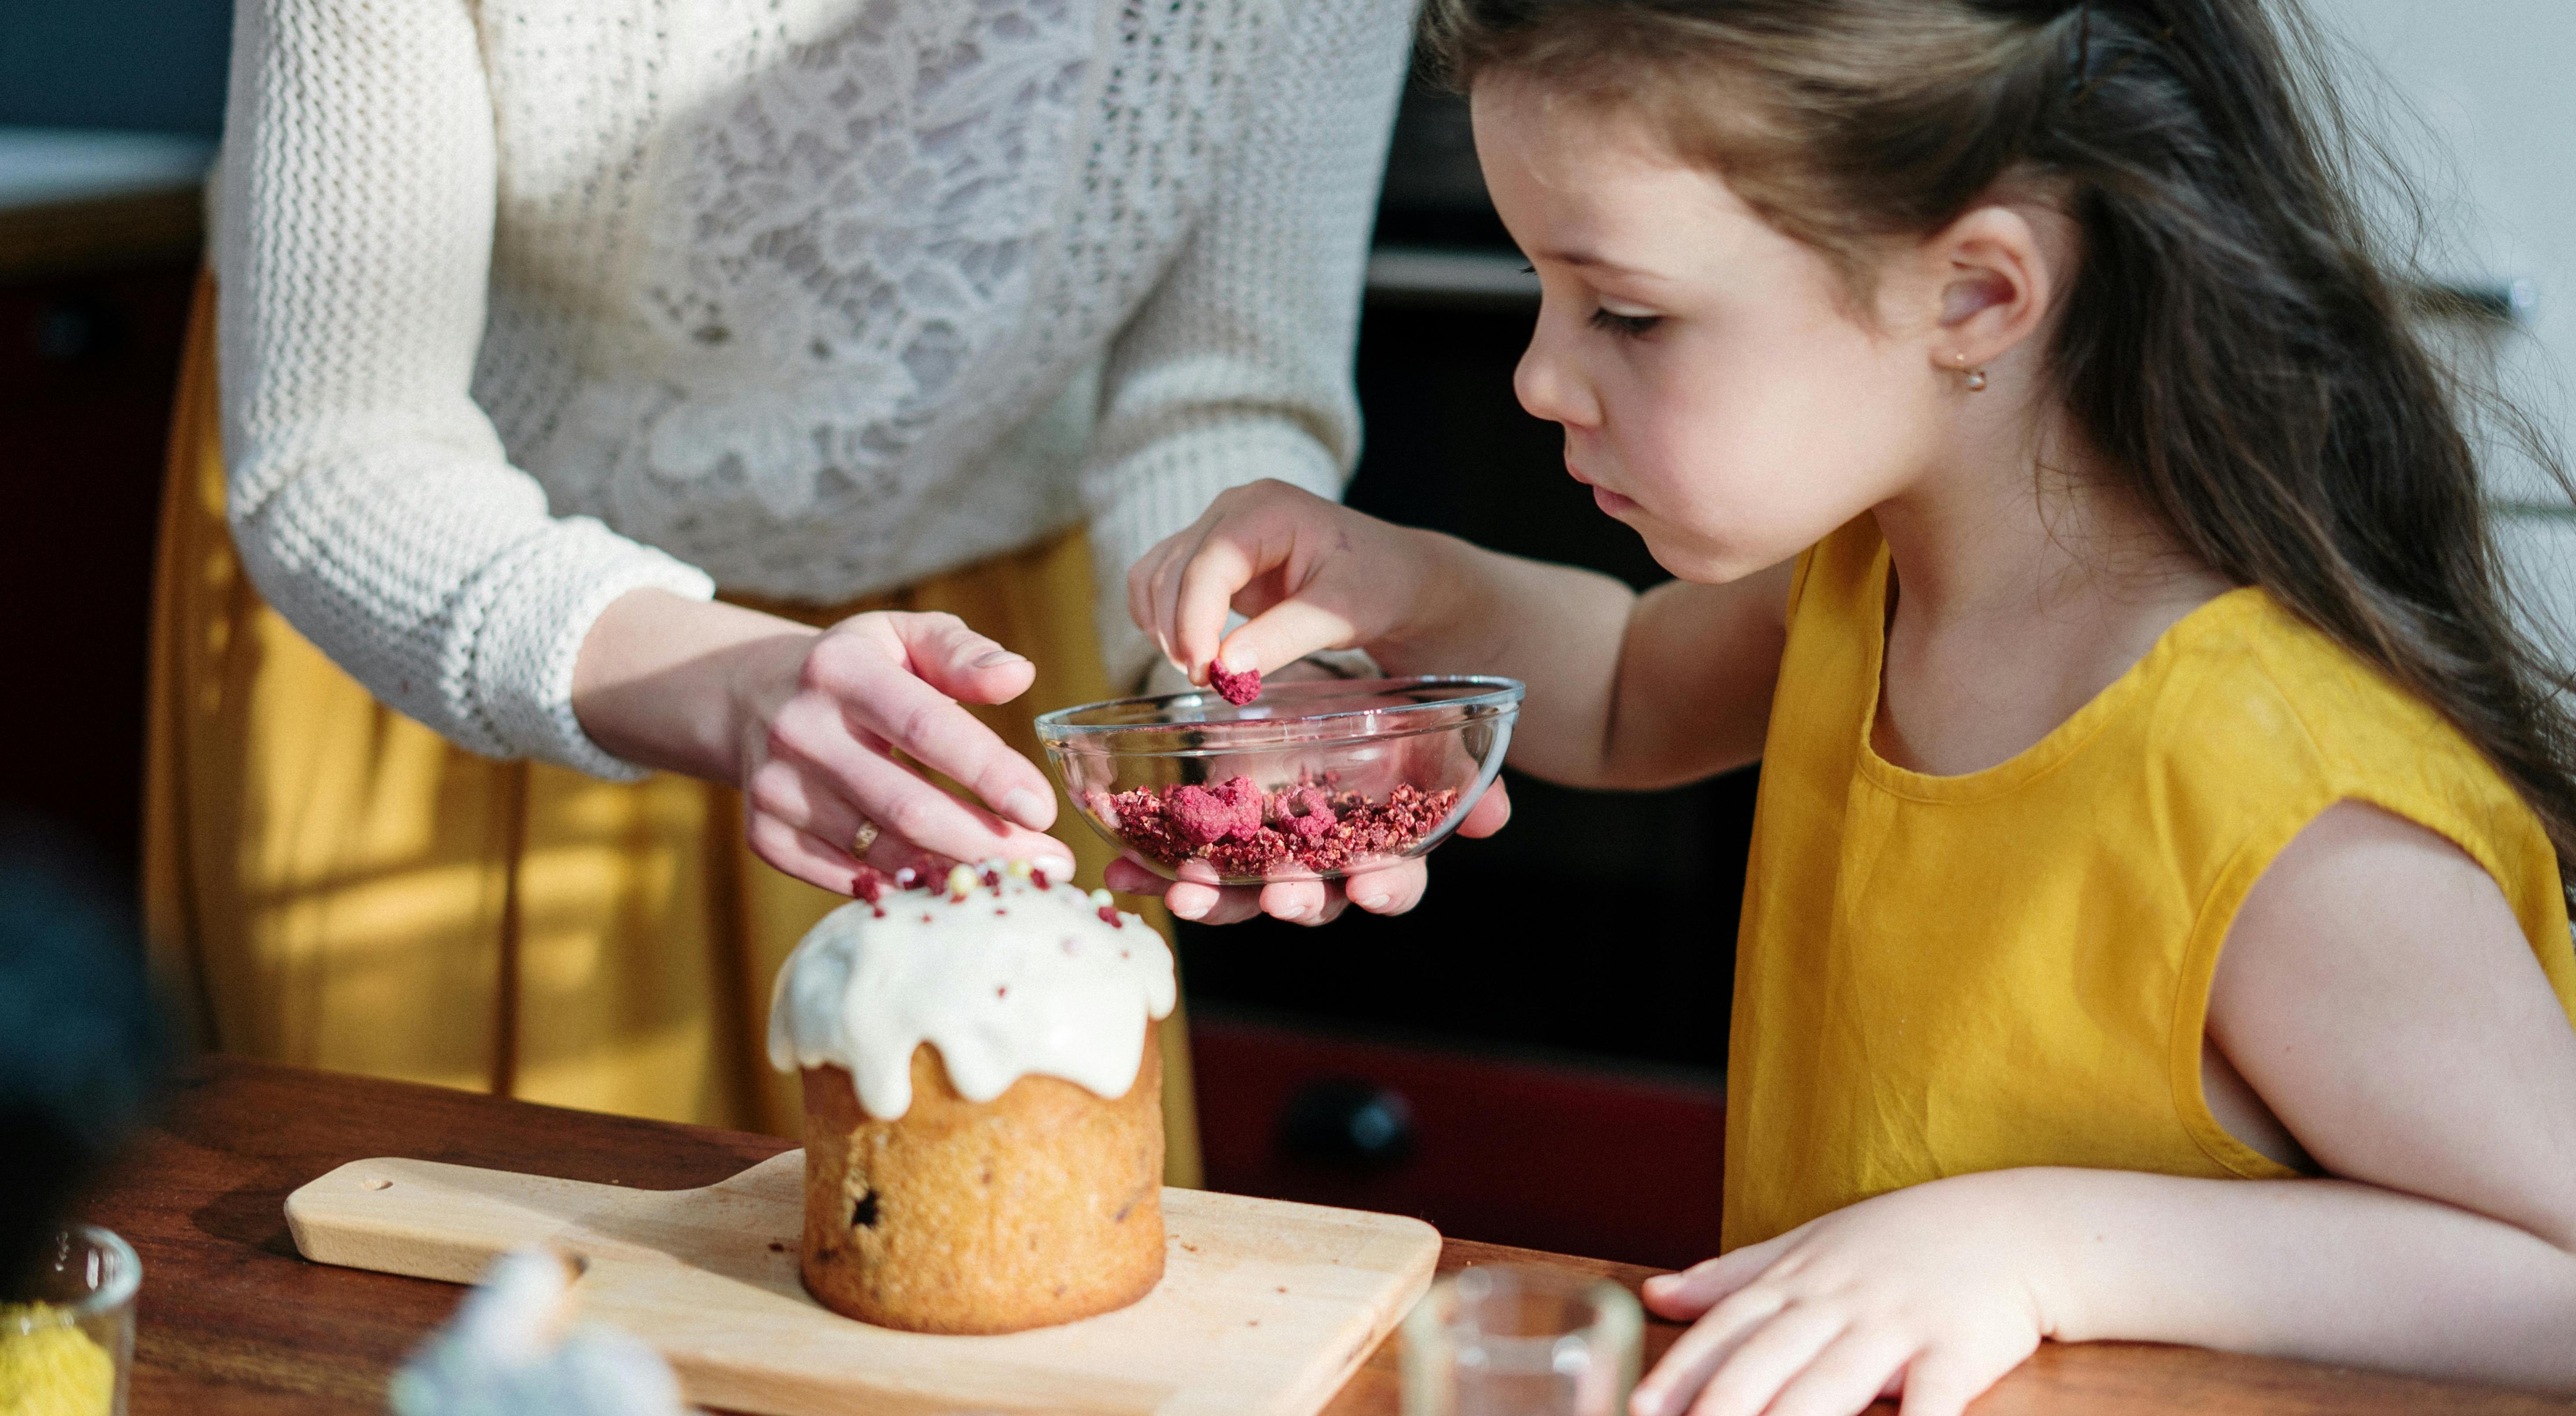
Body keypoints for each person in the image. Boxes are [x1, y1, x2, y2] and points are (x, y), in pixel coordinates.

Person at [1118, 0, 2576, 1407]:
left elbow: (2555, 1281)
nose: (1542, 377)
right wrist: (1400, 579)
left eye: (1625, 310)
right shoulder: (1862, 581)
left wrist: (2034, 1251)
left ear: (1974, 293)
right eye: (1539, 291)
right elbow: (1625, 691)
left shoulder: (2277, 792)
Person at [146, 0, 1417, 1168]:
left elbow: (1217, 394)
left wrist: (1256, 676)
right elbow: (342, 449)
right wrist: (725, 681)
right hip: (470, 635)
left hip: (966, 687)